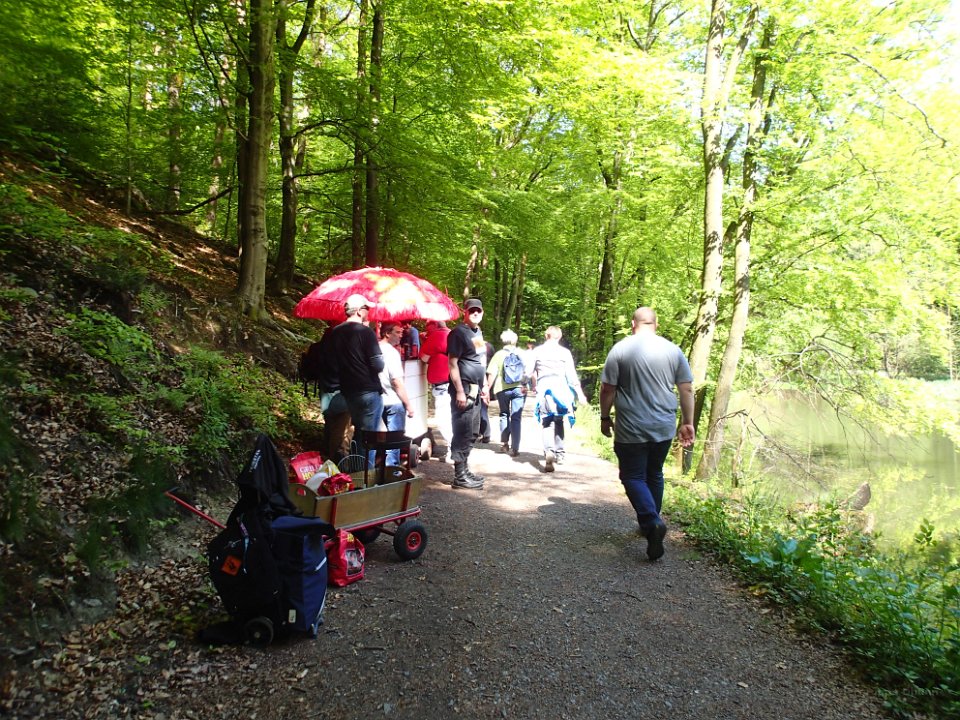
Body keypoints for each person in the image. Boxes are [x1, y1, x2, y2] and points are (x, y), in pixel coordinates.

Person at [598, 307, 695, 561]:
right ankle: (651, 523)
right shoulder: (673, 350)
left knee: (632, 475)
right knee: (654, 473)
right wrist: (688, 422)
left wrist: (605, 417)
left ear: (633, 324)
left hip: (631, 426)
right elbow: (686, 389)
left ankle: (651, 522)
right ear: (656, 324)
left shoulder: (620, 349)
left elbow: (607, 389)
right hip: (663, 426)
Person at [329, 294, 385, 468]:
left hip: (348, 391)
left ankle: (356, 474)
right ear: (359, 311)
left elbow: (333, 363)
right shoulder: (365, 332)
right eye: (367, 309)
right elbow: (378, 365)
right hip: (368, 391)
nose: (368, 312)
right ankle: (366, 477)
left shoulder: (335, 332)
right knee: (368, 439)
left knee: (357, 435)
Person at [529, 326, 587, 472]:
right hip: (561, 389)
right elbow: (571, 376)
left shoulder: (537, 351)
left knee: (547, 422)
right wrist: (580, 394)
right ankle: (560, 454)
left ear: (546, 335)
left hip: (544, 389)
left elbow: (528, 371)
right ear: (559, 337)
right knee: (559, 420)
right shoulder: (564, 352)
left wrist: (524, 384)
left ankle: (549, 451)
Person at [446, 298, 489, 489]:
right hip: (464, 388)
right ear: (465, 312)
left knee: (473, 430)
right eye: (472, 311)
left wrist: (485, 384)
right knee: (462, 429)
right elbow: (452, 363)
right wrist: (459, 391)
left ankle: (464, 469)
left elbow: (480, 360)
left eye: (478, 311)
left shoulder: (477, 332)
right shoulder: (457, 333)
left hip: (476, 388)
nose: (475, 313)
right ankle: (459, 476)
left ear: (482, 312)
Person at [378, 321, 415, 466]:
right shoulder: (392, 353)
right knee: (394, 441)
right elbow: (396, 382)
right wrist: (408, 405)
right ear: (387, 333)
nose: (401, 336)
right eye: (397, 332)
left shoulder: (373, 349)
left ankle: (371, 471)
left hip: (376, 400)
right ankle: (391, 470)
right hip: (393, 401)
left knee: (374, 439)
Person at [314, 325, 352, 462]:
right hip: (340, 393)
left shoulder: (319, 348)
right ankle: (338, 460)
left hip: (324, 390)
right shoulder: (343, 351)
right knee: (341, 428)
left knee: (330, 423)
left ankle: (328, 453)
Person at [486, 329, 525, 457]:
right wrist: (526, 385)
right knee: (516, 417)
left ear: (503, 340)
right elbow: (528, 372)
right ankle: (515, 447)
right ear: (515, 340)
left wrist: (487, 389)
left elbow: (492, 373)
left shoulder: (498, 354)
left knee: (504, 414)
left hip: (502, 389)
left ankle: (504, 444)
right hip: (519, 388)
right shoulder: (521, 353)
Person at [420, 320, 454, 463]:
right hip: (451, 385)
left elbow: (424, 357)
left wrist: (426, 342)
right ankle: (455, 450)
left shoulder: (437, 335)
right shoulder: (453, 334)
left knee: (443, 420)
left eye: (428, 327)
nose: (427, 329)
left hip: (443, 386)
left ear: (435, 325)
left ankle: (454, 451)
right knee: (450, 418)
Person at [477, 340, 495, 443]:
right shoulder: (489, 345)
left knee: (481, 406)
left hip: (481, 377)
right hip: (488, 376)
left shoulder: (478, 344)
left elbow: (479, 362)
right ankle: (482, 432)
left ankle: (485, 433)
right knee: (483, 406)